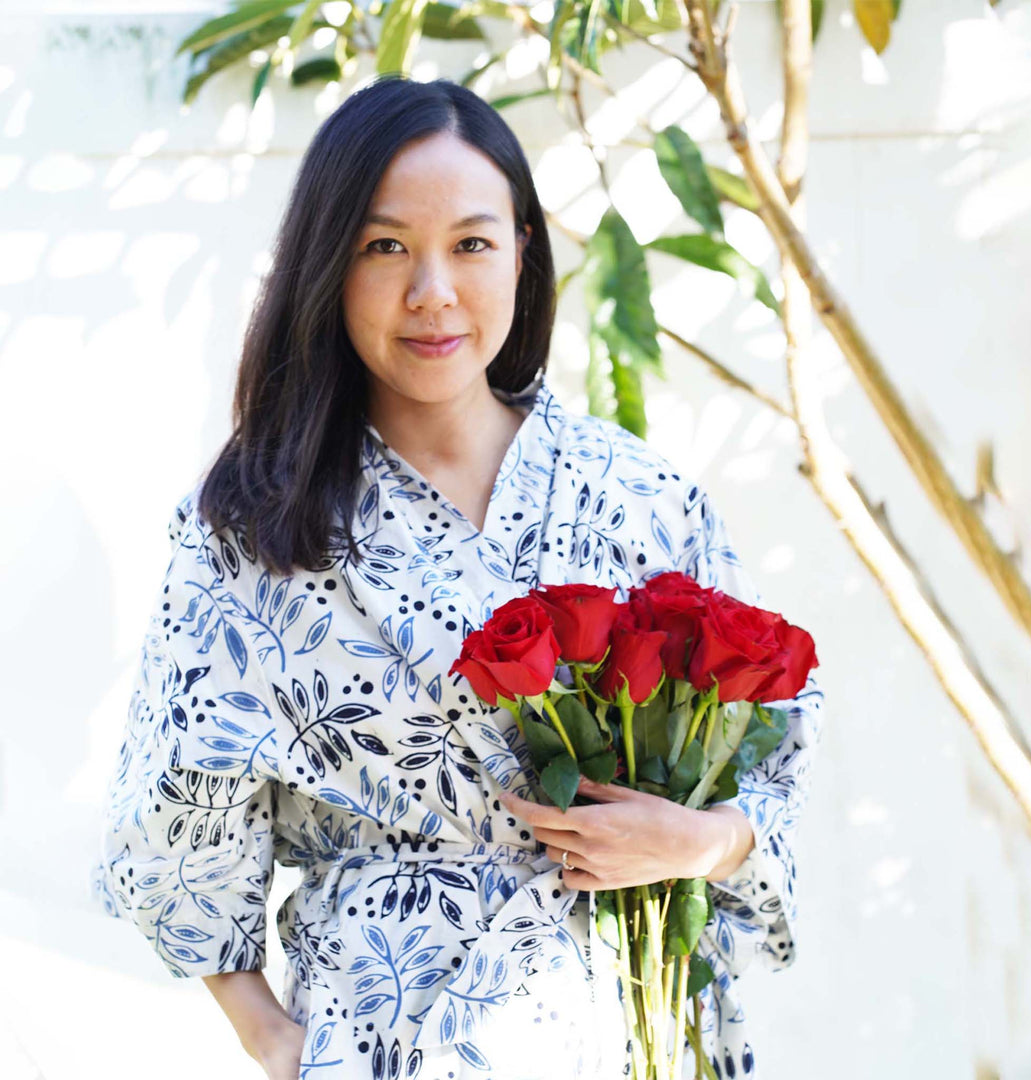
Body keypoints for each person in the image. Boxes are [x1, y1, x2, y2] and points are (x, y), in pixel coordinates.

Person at [92, 74, 824, 1080]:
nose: (431, 290)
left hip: (639, 1026)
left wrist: (704, 844)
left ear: (524, 248)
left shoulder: (640, 495)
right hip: (389, 1036)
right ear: (328, 266)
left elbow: (778, 744)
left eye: (471, 244)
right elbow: (175, 821)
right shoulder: (252, 527)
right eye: (384, 246)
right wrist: (275, 1041)